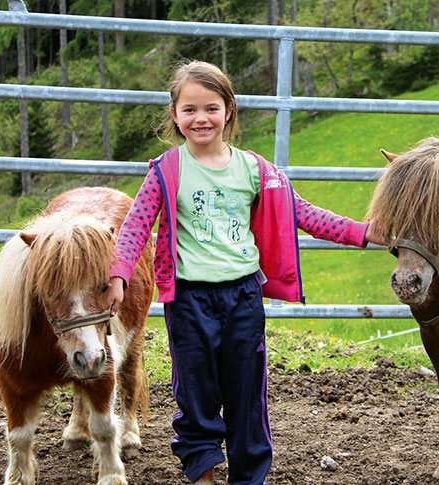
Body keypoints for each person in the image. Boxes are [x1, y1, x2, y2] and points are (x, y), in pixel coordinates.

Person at [106, 60, 382, 485]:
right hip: (190, 302)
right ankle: (203, 473)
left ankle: (249, 477)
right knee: (195, 395)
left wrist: (363, 232)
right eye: (190, 109)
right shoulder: (166, 170)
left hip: (243, 301)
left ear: (229, 110)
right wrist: (120, 273)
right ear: (175, 115)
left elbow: (304, 214)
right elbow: (136, 226)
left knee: (246, 397)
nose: (201, 118)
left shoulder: (256, 170)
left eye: (211, 108)